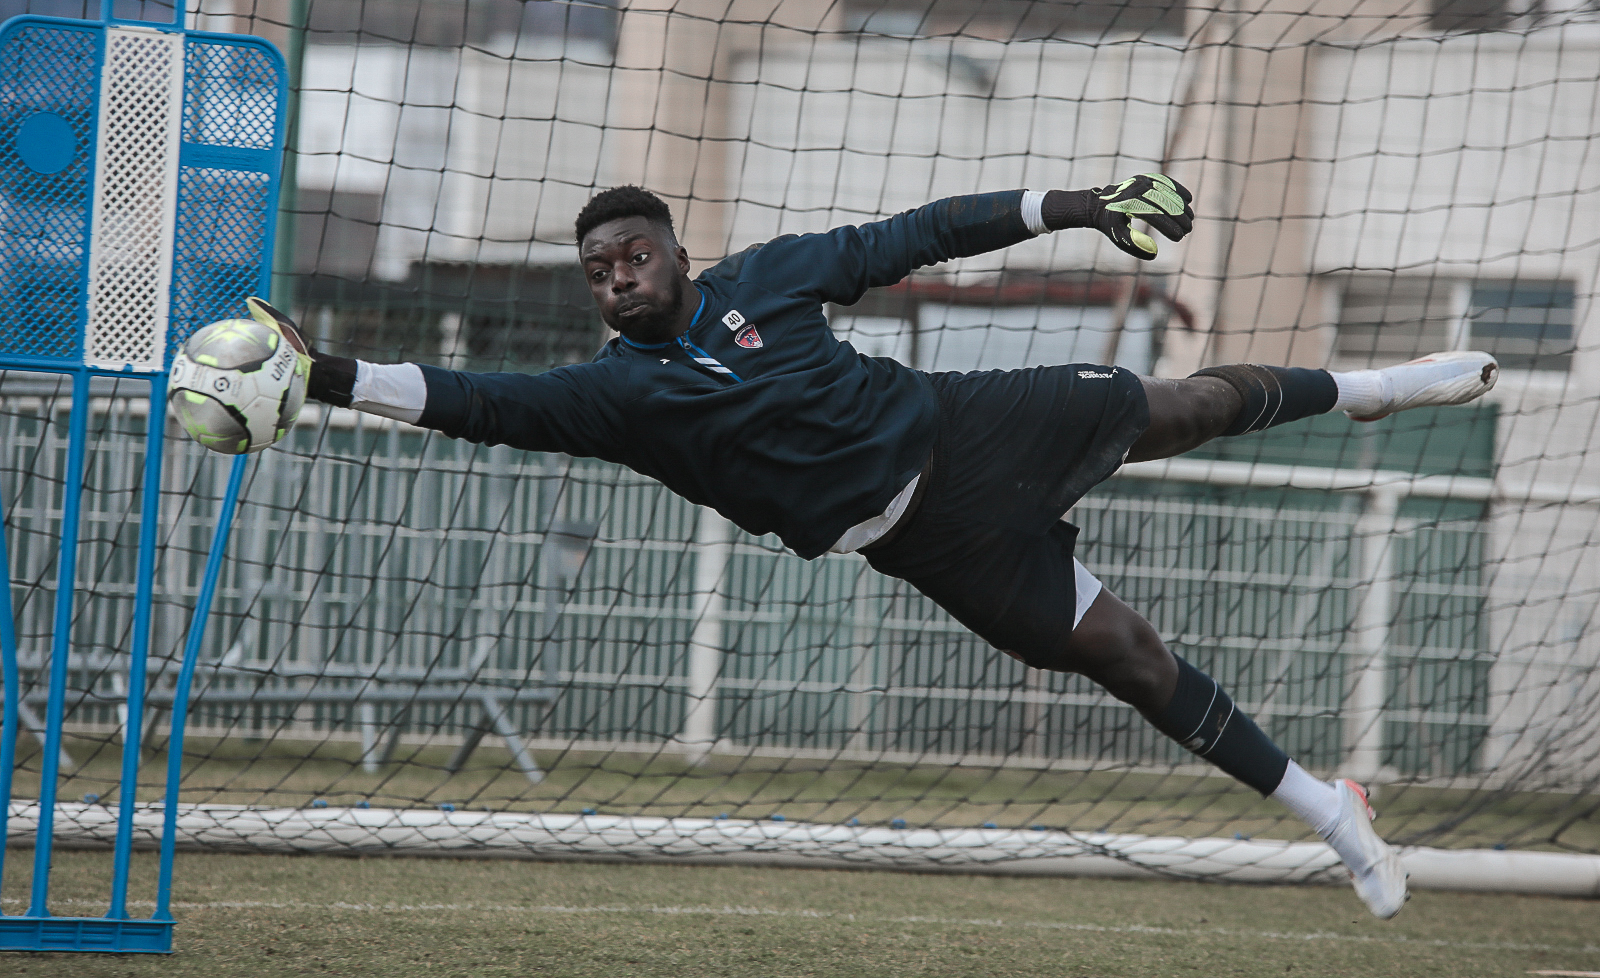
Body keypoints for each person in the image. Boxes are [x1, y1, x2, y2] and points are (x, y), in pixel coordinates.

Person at [249, 175, 1499, 919]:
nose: (617, 278)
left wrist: (1079, 206)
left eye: (634, 255)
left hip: (967, 432)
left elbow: (920, 235)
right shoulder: (615, 396)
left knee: (1180, 406)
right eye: (597, 270)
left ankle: (1376, 382)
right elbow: (481, 403)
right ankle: (1332, 814)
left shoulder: (773, 279)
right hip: (927, 548)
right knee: (1126, 654)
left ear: (680, 253)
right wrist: (328, 375)